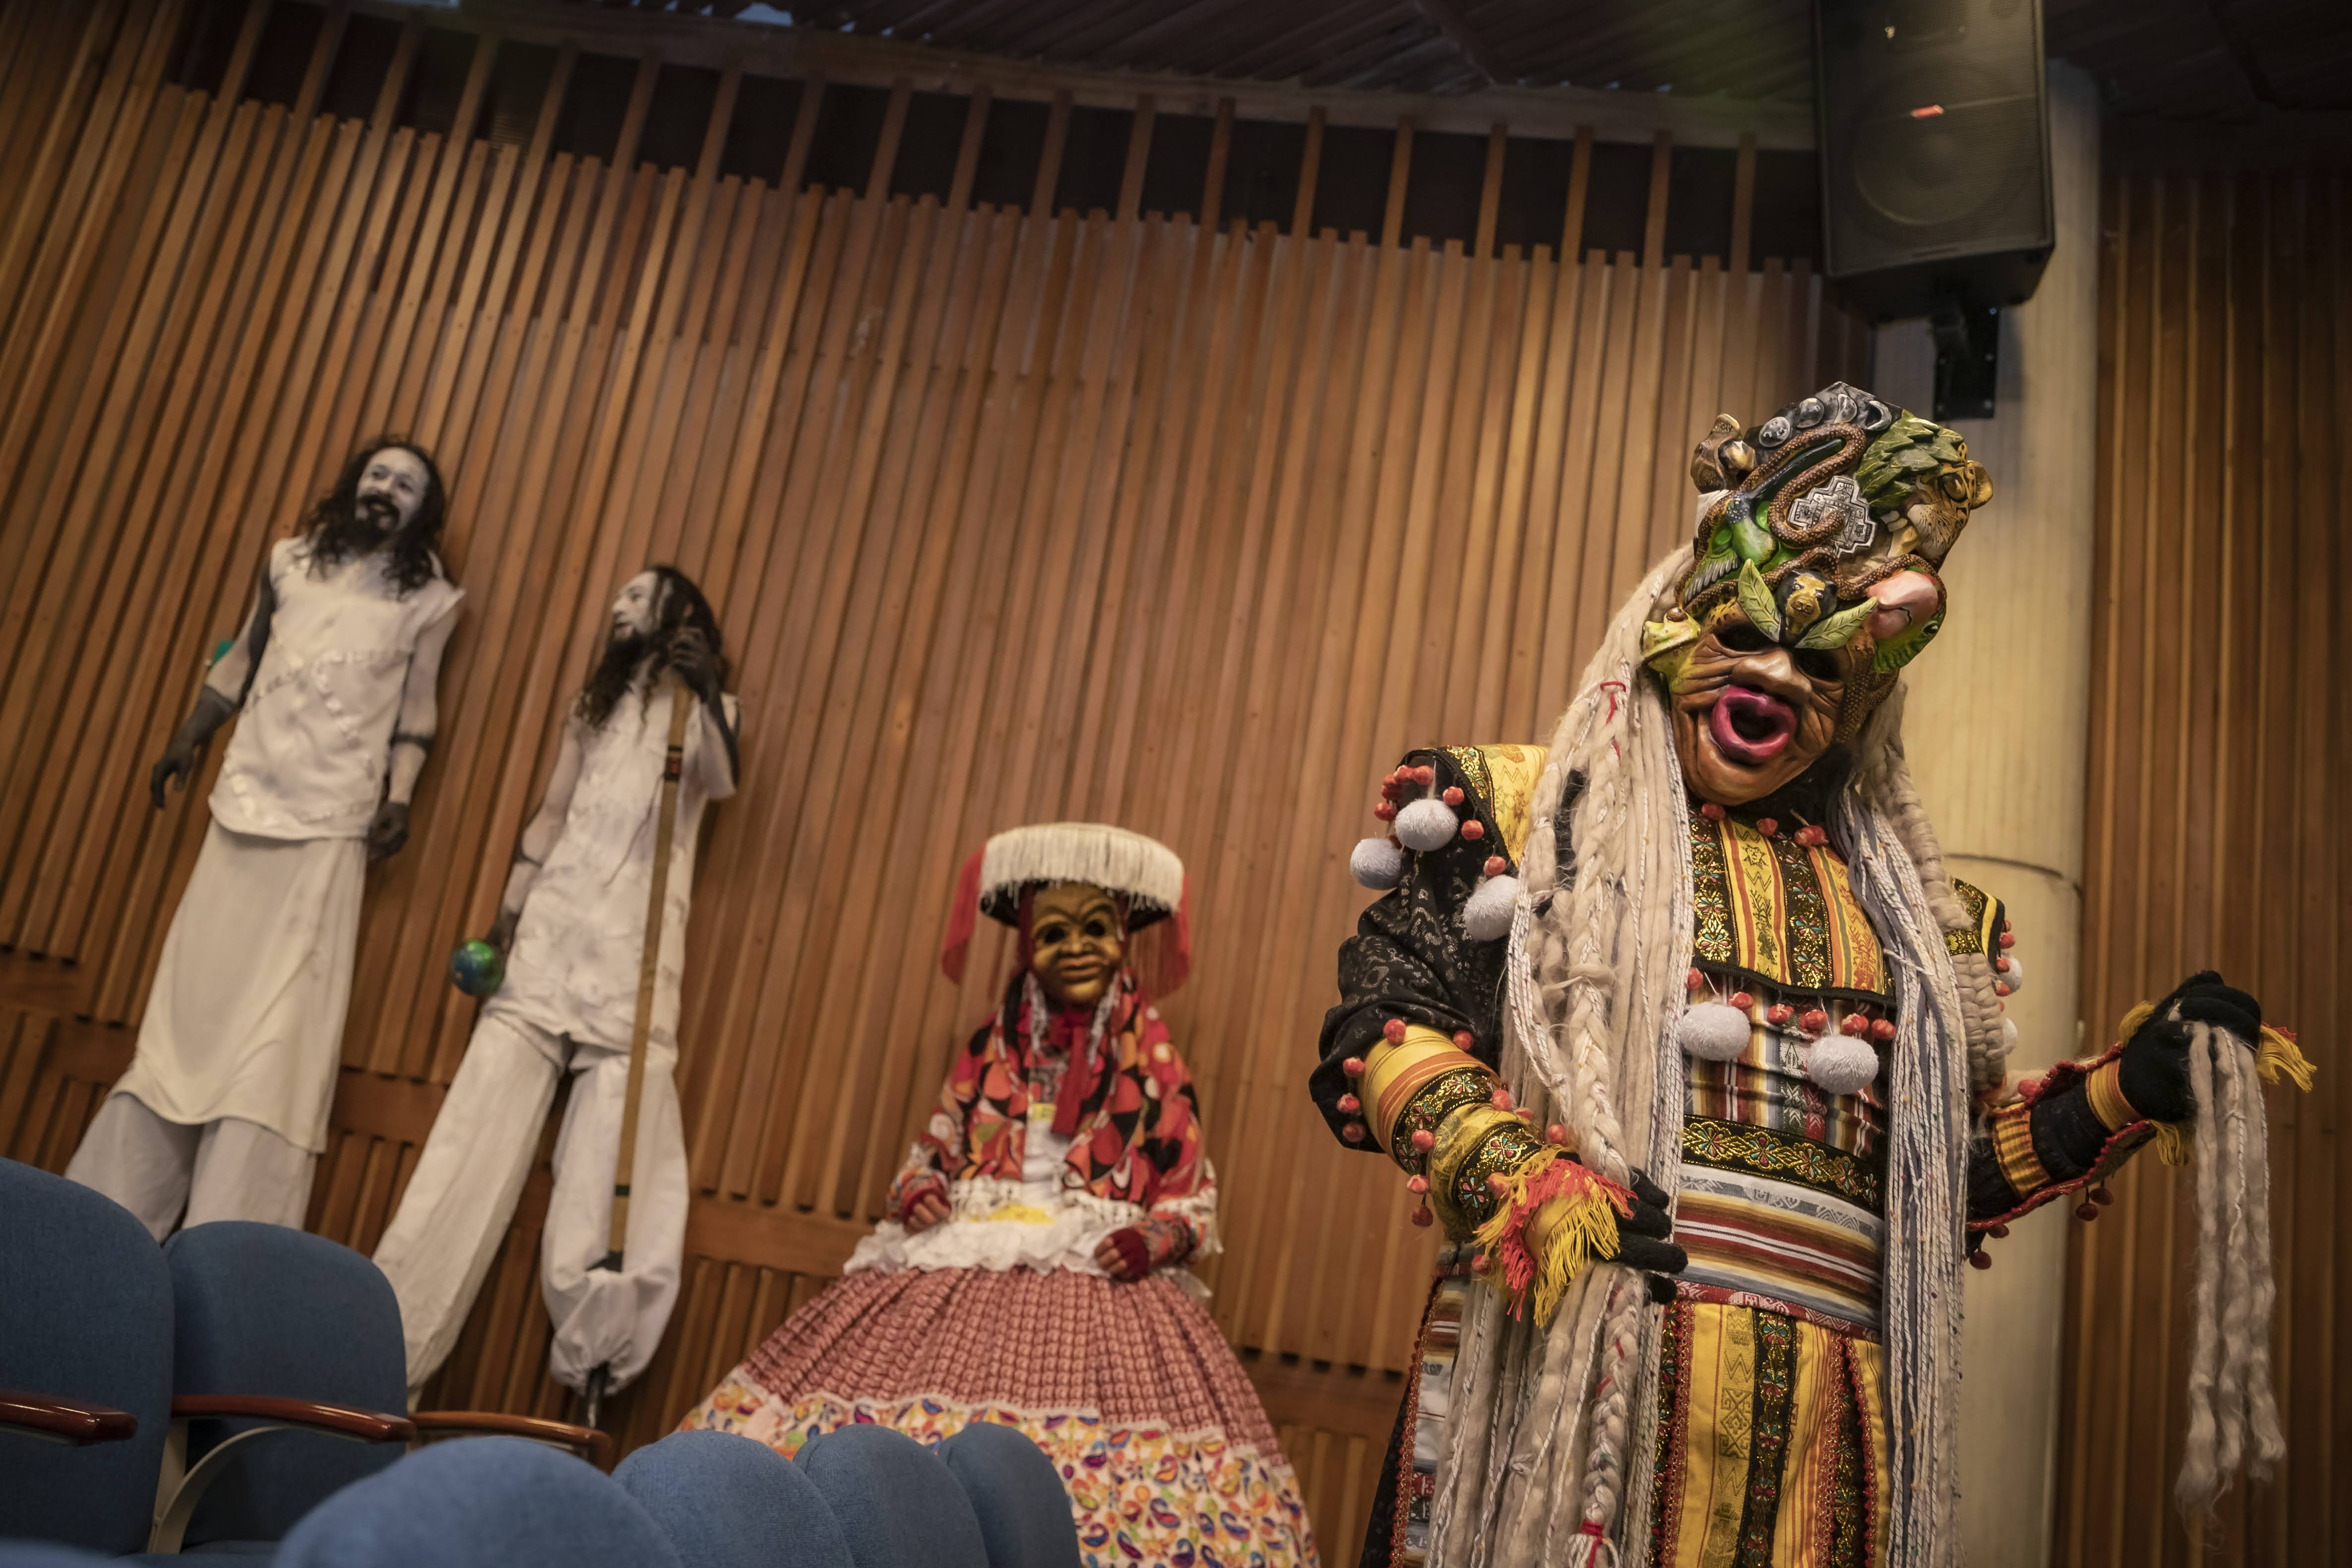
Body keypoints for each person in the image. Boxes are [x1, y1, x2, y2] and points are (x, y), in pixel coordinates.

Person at [1315, 384, 2307, 1567]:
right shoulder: (1530, 816)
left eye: (1821, 660)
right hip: (1567, 1398)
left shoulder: (1918, 923)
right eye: (1743, 635)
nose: (1777, 676)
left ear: (1858, 699)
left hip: (1819, 1446)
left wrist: (2123, 1089)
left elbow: (1936, 1185)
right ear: (1671, 629)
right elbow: (1387, 1023)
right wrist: (1521, 1180)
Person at [682, 823, 1317, 1567]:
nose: (1075, 948)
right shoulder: (990, 1048)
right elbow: (935, 1146)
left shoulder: (1153, 1060)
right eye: (1052, 933)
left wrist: (1158, 1235)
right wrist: (921, 1187)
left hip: (1098, 1275)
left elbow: (1191, 1194)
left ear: (1123, 939)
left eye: (1095, 929)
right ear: (1024, 946)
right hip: (963, 1252)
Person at [67, 439, 463, 1240]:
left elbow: (418, 708)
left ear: (424, 510)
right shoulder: (287, 561)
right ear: (354, 482)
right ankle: (105, 1228)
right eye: (379, 473)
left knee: (282, 1033)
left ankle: (228, 1246)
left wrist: (401, 796)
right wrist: (190, 735)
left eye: (407, 484)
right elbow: (241, 660)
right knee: (188, 1009)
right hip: (241, 809)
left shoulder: (430, 601)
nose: (387, 488)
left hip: (329, 829)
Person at [373, 566, 739, 1398]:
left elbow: (720, 779)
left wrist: (708, 695)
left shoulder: (705, 711)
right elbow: (549, 816)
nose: (619, 605)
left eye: (639, 596)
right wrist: (505, 918)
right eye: (619, 594)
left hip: (630, 970)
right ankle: (387, 1357)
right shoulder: (591, 707)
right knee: (467, 1145)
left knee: (609, 1173)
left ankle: (597, 1357)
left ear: (681, 614)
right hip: (548, 943)